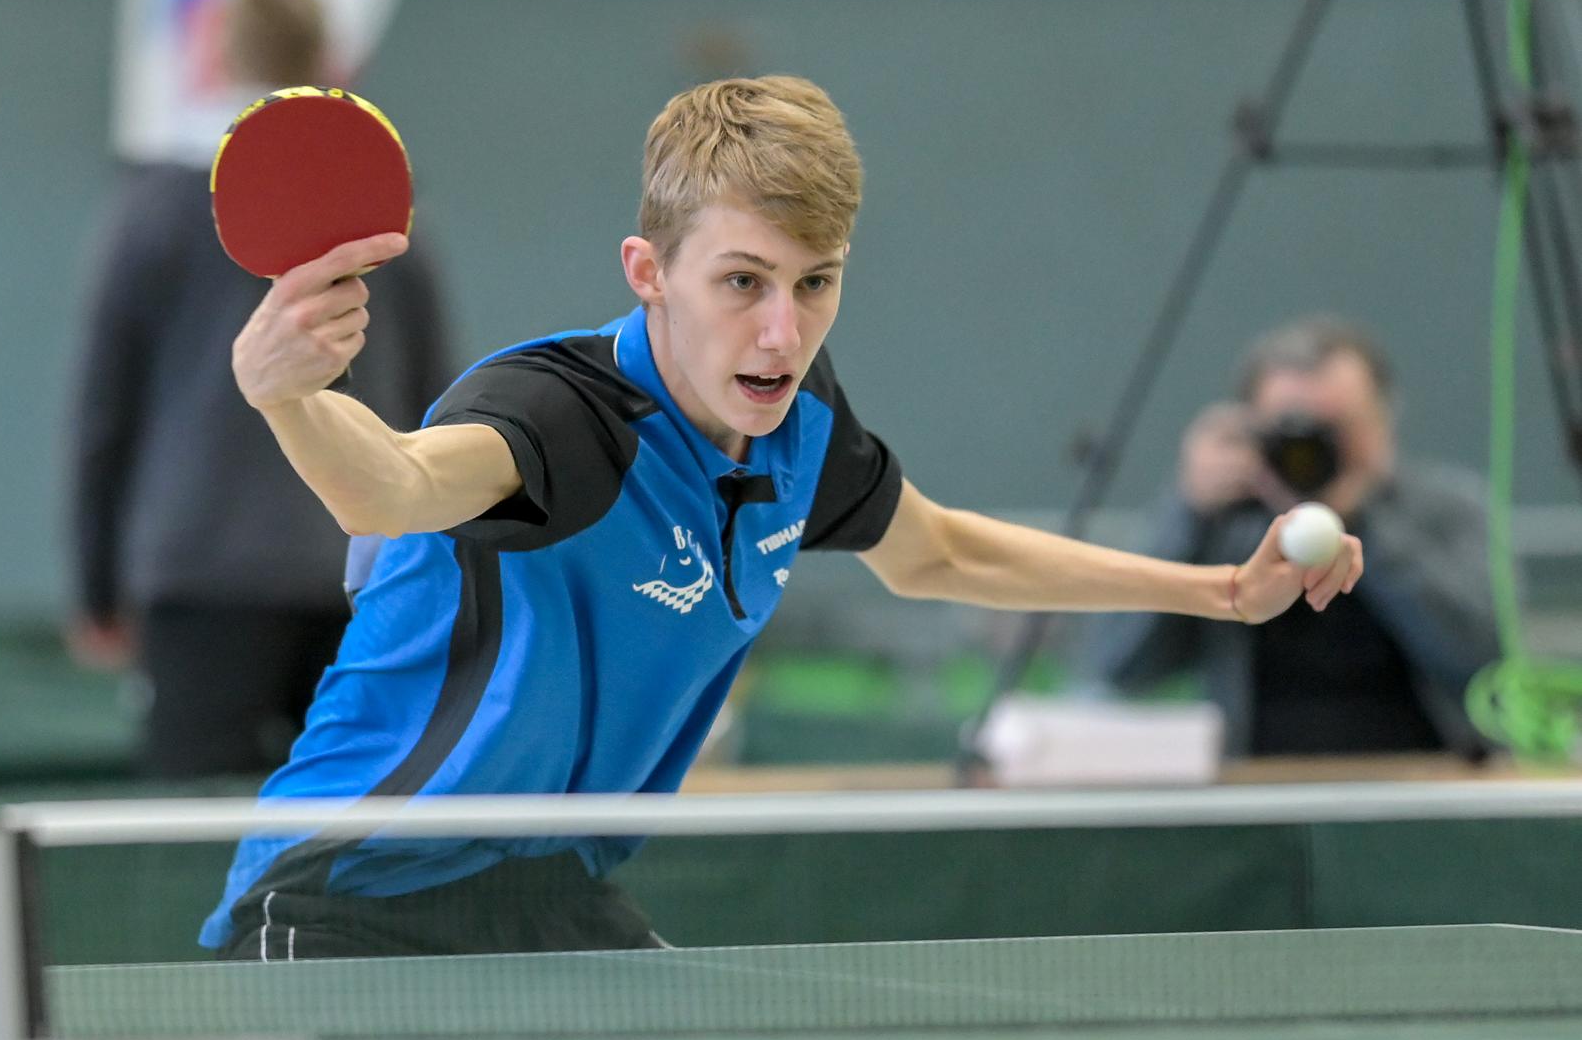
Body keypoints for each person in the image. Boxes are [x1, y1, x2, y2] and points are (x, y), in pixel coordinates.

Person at [200, 76, 1363, 960]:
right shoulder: (561, 415)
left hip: (545, 888)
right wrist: (289, 395)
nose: (781, 333)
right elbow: (392, 486)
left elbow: (937, 551)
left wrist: (1219, 593)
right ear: (648, 271)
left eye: (815, 283)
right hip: (348, 893)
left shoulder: (800, 430)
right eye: (742, 281)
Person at [66, 0, 454, 778]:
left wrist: (97, 591)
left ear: (211, 53)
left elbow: (104, 417)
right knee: (360, 824)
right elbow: (440, 414)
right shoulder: (396, 226)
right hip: (366, 576)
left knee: (197, 834)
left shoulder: (148, 214)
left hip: (201, 582)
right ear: (332, 61)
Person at [1081, 316, 1500, 757]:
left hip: (1426, 773)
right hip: (1254, 780)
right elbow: (1118, 668)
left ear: (1383, 422)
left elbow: (1488, 662)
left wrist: (1360, 522)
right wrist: (1188, 514)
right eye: (1292, 430)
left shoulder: (1446, 509)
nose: (1313, 450)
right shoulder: (1221, 521)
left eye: (1338, 429)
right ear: (1252, 432)